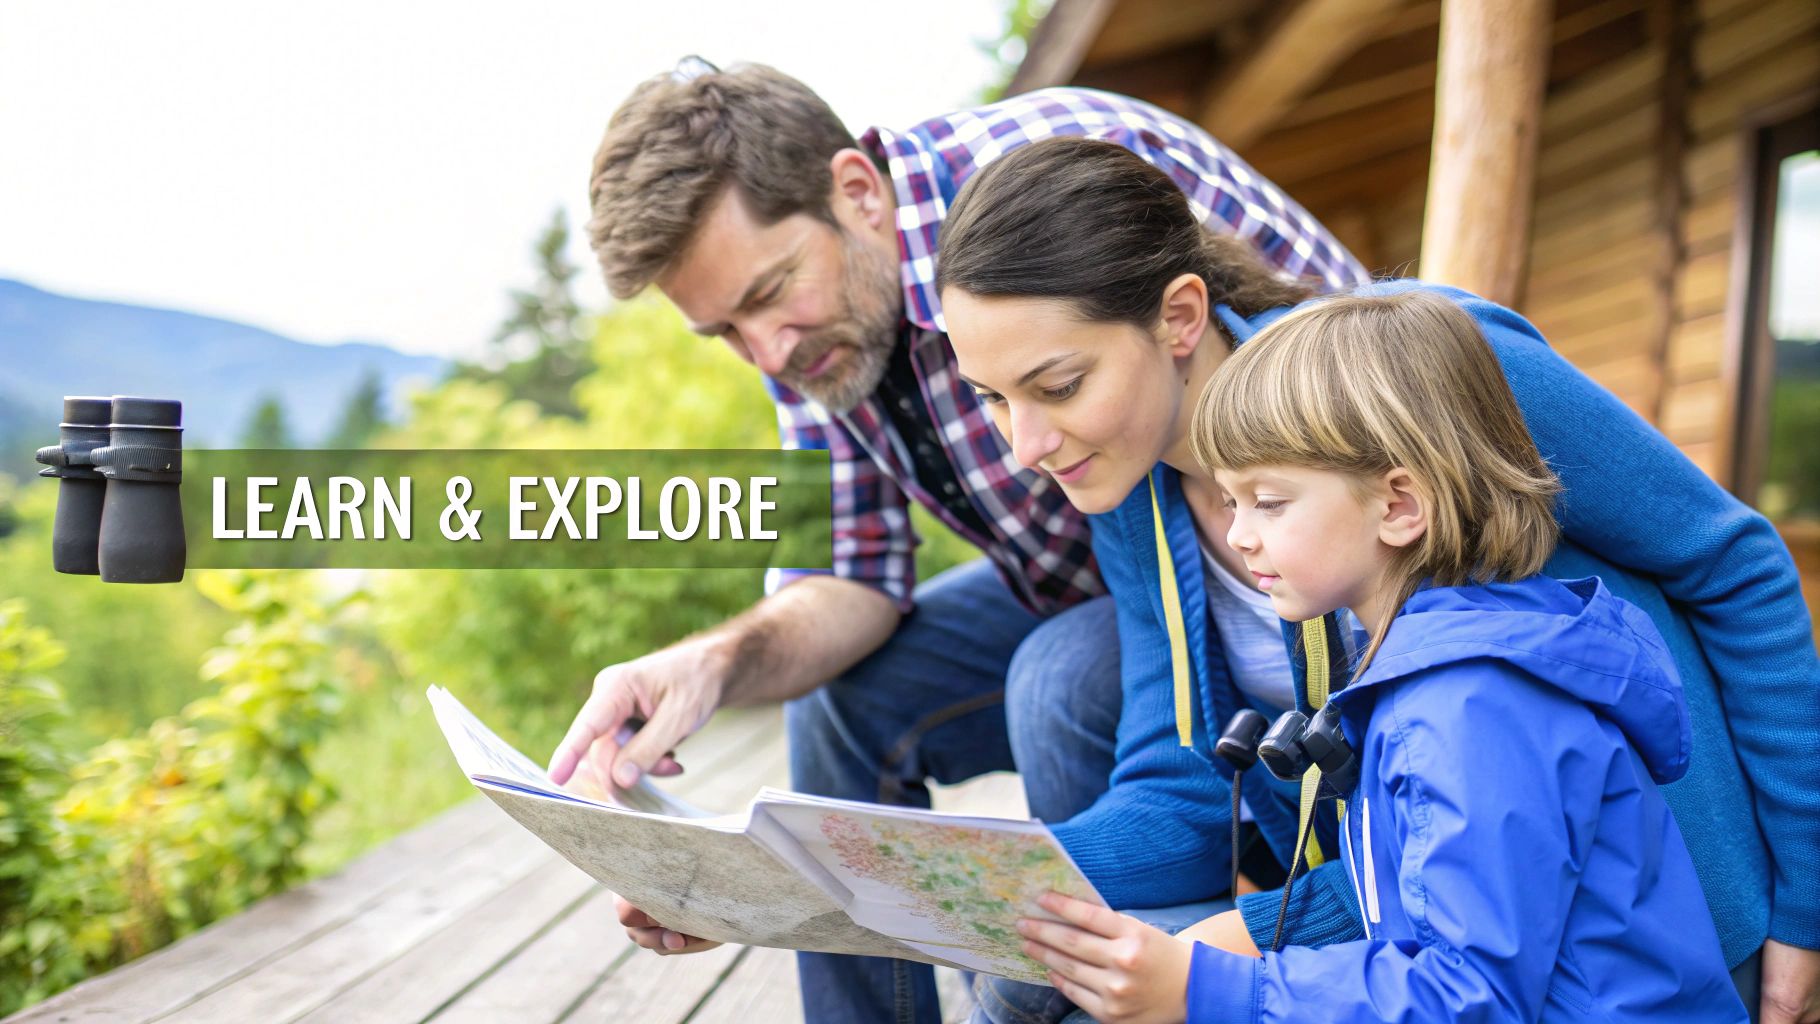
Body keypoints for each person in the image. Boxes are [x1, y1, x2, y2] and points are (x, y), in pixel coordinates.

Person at [549, 61, 1369, 1023]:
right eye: (726, 332)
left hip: (1286, 573)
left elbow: (1392, 376)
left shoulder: (1060, 189)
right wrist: (718, 696)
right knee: (842, 705)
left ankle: (1112, 951)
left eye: (772, 294)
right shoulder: (805, 335)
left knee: (1057, 678)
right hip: (1142, 577)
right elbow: (849, 574)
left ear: (856, 192)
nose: (767, 352)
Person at [936, 137, 1820, 1023]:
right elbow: (1187, 778)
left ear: (1178, 316)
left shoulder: (1403, 373)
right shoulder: (1130, 489)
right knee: (1030, 977)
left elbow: (1735, 566)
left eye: (1057, 384)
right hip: (1404, 903)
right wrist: (963, 883)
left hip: (1640, 938)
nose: (1024, 447)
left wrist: (1806, 908)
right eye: (992, 398)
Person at [1019, 288, 1747, 1022]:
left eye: (1268, 502)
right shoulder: (1429, 672)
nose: (1238, 536)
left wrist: (1206, 988)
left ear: (1399, 505)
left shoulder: (1469, 707)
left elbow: (1471, 996)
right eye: (1231, 503)